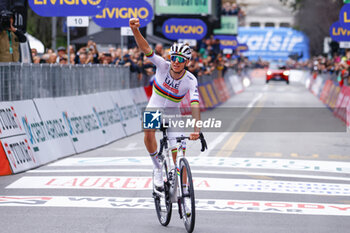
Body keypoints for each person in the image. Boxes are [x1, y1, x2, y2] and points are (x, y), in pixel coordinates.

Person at [129, 17, 201, 188]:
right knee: (148, 131)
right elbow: (146, 49)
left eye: (181, 59)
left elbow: (195, 104)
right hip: (154, 106)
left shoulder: (191, 80)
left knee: (179, 155)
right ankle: (157, 168)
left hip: (172, 113)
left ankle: (184, 192)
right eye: (174, 57)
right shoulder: (162, 65)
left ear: (187, 62)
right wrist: (135, 30)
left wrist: (196, 129)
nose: (176, 61)